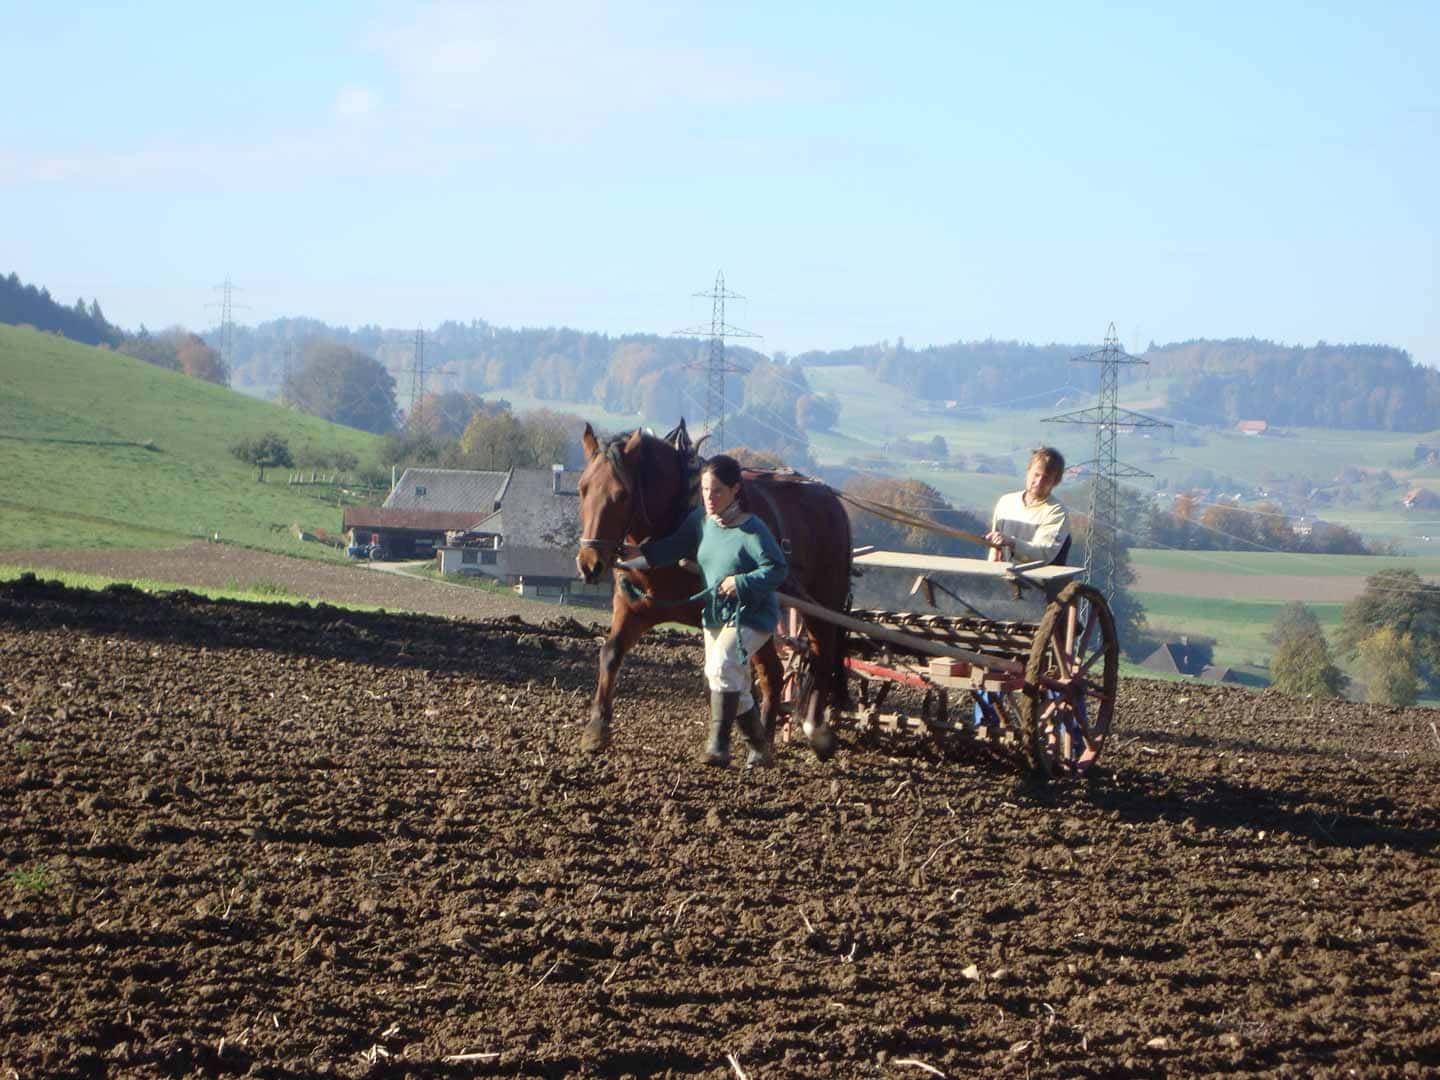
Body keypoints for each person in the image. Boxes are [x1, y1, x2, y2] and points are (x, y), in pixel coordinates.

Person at [617, 455, 788, 768]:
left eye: (718, 491)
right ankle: (760, 748)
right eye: (707, 490)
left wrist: (742, 581)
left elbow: (777, 569)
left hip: (751, 615)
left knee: (723, 666)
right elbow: (669, 549)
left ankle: (718, 747)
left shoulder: (752, 529)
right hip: (716, 614)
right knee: (724, 676)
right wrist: (630, 559)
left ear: (735, 490)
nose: (710, 497)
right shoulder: (701, 521)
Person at [986, 446, 1070, 564]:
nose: (1039, 482)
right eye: (1036, 475)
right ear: (1028, 471)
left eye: (1046, 478)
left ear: (1055, 481)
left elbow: (1043, 554)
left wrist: (1011, 542)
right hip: (1002, 575)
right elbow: (994, 549)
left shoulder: (1056, 511)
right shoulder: (1006, 502)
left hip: (1035, 579)